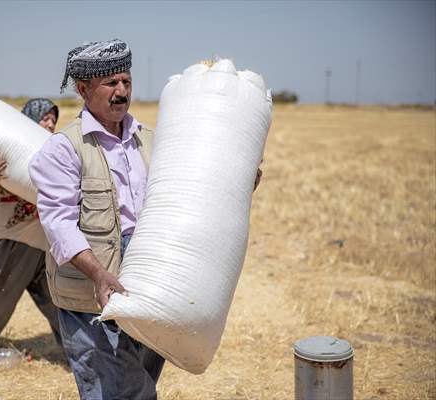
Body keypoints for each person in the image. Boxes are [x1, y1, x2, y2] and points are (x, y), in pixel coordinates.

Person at [29, 40, 263, 399]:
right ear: (83, 88)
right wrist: (98, 274)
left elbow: (189, 196)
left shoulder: (151, 141)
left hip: (150, 278)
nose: (121, 91)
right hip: (89, 289)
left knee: (140, 381)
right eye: (110, 83)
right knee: (119, 392)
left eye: (126, 81)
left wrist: (236, 183)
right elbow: (58, 223)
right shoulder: (64, 148)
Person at [0, 98, 62, 350]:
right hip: (13, 238)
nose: (50, 124)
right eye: (45, 118)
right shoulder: (11, 150)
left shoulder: (55, 151)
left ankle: (76, 350)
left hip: (46, 245)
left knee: (59, 299)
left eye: (53, 120)